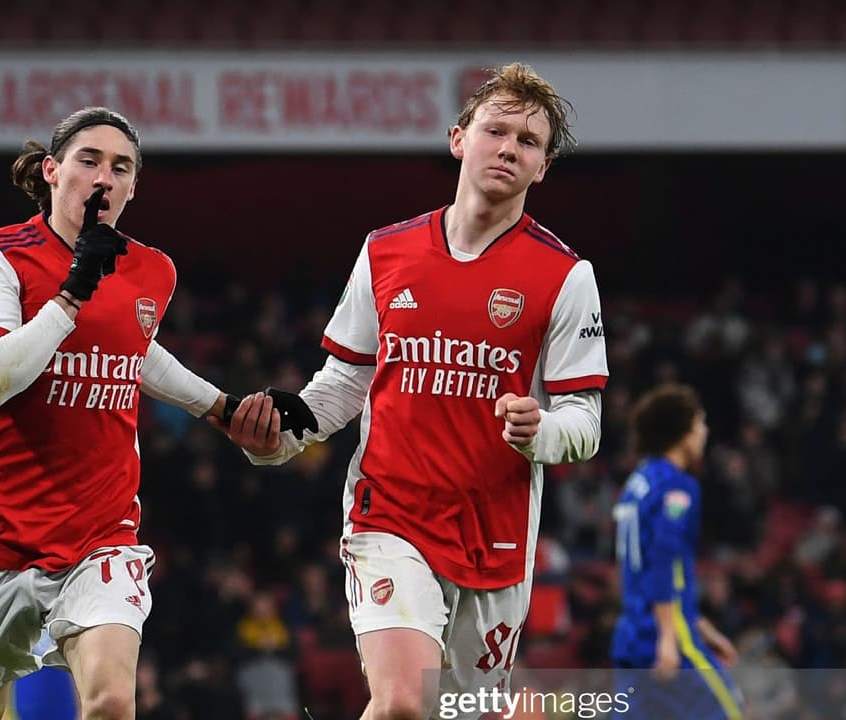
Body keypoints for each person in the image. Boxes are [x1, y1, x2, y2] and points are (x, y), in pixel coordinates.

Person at [216, 63, 608, 719]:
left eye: (529, 141)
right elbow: (345, 382)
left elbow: (586, 420)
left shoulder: (566, 277)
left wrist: (544, 431)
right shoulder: (385, 252)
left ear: (543, 168)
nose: (509, 147)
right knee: (402, 702)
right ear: (460, 139)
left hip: (496, 538)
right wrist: (283, 436)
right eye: (496, 130)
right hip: (389, 515)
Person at [0, 106, 239, 720]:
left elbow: (132, 352)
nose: (104, 178)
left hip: (100, 534)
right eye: (88, 161)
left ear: (132, 187)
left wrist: (219, 407)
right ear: (51, 170)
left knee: (112, 702)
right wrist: (72, 292)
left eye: (121, 168)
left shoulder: (152, 270)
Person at [610, 383, 743, 719]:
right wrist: (671, 636)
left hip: (632, 633)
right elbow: (663, 558)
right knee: (730, 712)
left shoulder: (637, 483)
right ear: (683, 433)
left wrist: (702, 626)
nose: (705, 432)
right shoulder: (678, 486)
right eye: (700, 423)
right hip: (667, 638)